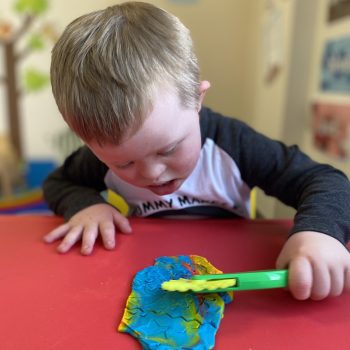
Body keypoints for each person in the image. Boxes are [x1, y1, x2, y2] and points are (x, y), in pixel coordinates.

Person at [43, 1, 350, 301]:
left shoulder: (235, 143)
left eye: (168, 149)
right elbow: (58, 183)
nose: (151, 173)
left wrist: (319, 233)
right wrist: (85, 205)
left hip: (236, 279)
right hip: (151, 275)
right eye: (123, 163)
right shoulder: (99, 159)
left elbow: (324, 181)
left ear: (197, 100)